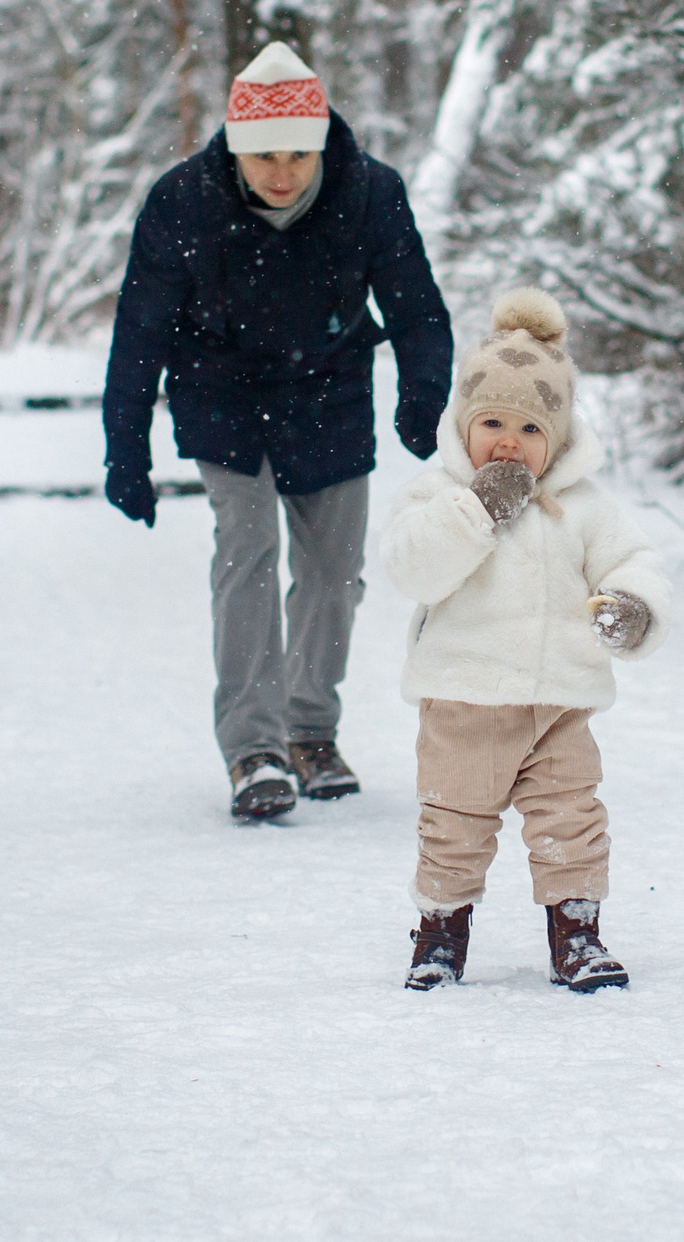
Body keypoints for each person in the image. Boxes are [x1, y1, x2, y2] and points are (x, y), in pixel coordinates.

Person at [102, 41, 453, 822]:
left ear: (321, 142)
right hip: (221, 393)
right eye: (263, 155)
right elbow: (141, 330)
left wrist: (424, 396)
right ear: (235, 146)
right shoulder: (182, 202)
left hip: (329, 391)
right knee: (250, 550)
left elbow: (418, 308)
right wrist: (125, 448)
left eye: (298, 153)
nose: (282, 172)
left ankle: (310, 732)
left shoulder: (370, 193)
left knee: (334, 571)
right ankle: (254, 747)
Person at [379, 288, 671, 992]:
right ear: (463, 424)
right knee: (454, 823)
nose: (509, 441)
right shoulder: (438, 495)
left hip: (558, 704)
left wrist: (632, 607)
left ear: (559, 437)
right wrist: (477, 510)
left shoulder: (583, 507)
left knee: (571, 818)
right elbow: (413, 567)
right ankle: (440, 933)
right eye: (492, 422)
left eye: (530, 427)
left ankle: (577, 933)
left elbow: (632, 559)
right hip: (463, 701)